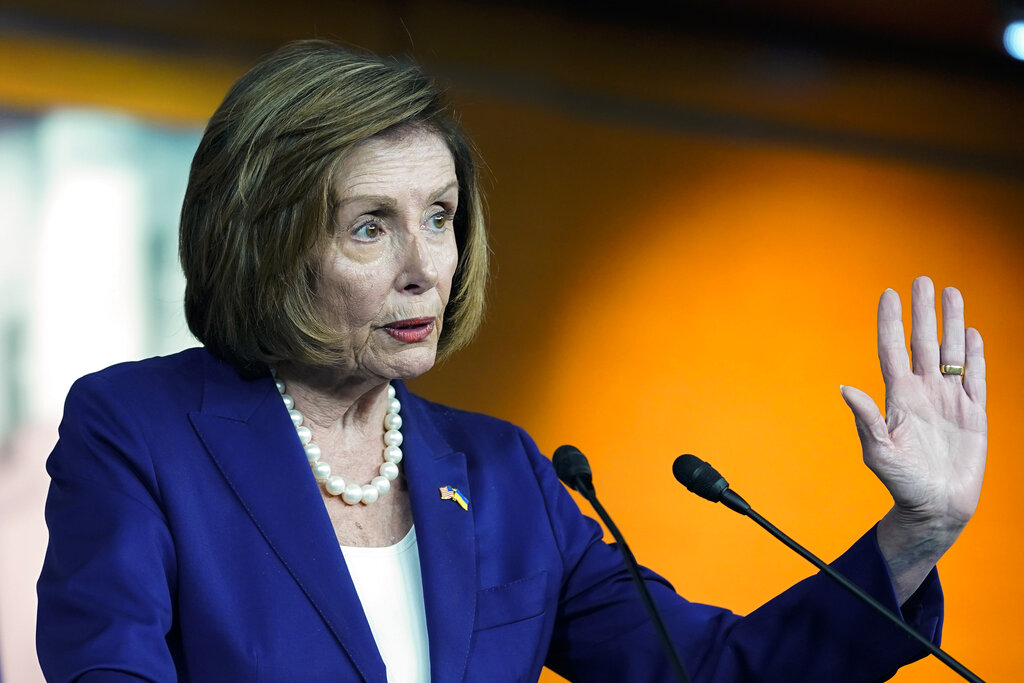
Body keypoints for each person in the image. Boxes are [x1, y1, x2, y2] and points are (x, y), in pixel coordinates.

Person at [36, 39, 986, 682]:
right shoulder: (140, 431)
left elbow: (706, 668)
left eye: (440, 217)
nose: (425, 267)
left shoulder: (505, 476)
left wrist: (917, 532)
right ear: (266, 243)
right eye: (370, 226)